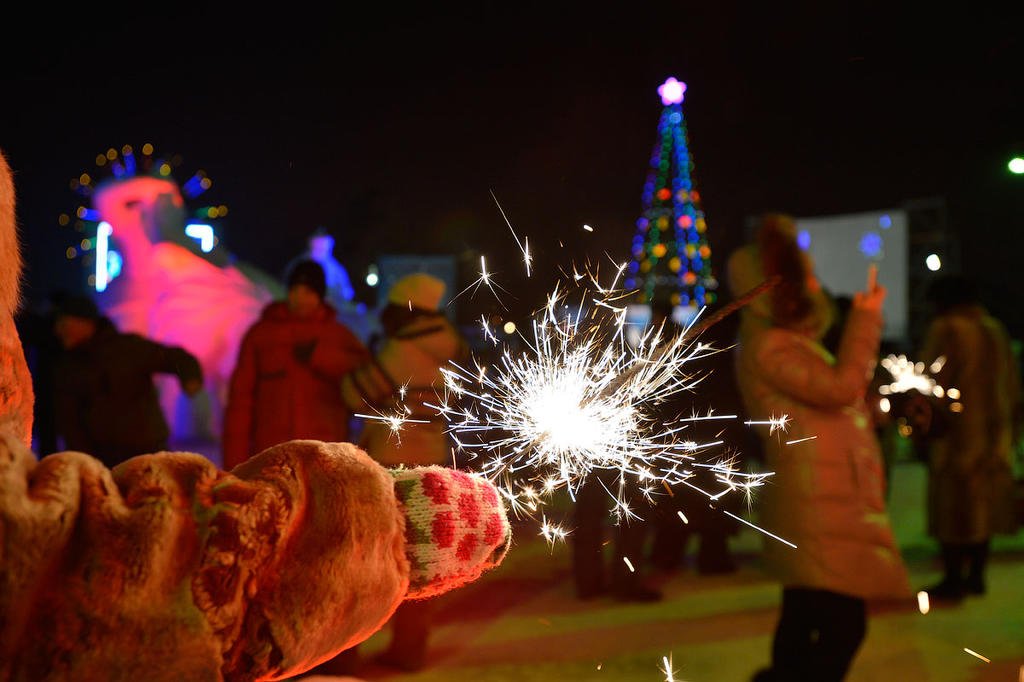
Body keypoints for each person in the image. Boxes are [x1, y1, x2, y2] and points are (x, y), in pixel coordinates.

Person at [731, 214, 910, 682]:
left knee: (807, 608)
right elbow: (837, 389)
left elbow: (833, 400)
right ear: (778, 289)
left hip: (822, 492)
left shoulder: (787, 342)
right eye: (805, 276)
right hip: (817, 499)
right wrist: (866, 319)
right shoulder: (770, 345)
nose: (816, 284)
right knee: (843, 623)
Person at [315, 272, 468, 674]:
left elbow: (353, 393)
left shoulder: (402, 351)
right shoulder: (450, 347)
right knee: (420, 560)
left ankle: (347, 653)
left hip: (392, 464)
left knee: (373, 559)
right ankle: (410, 648)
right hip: (432, 459)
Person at [916, 275, 1020, 599]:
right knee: (984, 504)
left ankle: (953, 577)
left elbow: (931, 381)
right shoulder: (995, 329)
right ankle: (976, 575)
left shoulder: (946, 329)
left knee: (953, 504)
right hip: (996, 432)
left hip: (956, 432)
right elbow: (1013, 384)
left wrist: (922, 422)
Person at [222, 260, 367, 469]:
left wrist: (320, 357)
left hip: (324, 456)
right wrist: (234, 463)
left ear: (320, 295)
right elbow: (241, 401)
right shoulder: (262, 335)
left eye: (308, 292)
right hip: (272, 455)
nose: (300, 299)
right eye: (295, 290)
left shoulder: (338, 336)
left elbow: (363, 379)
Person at [52, 294, 204, 468]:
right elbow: (70, 424)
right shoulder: (67, 366)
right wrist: (84, 462)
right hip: (103, 462)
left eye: (64, 324)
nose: (58, 331)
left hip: (149, 456)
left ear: (85, 322)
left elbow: (177, 358)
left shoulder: (128, 349)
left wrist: (190, 378)